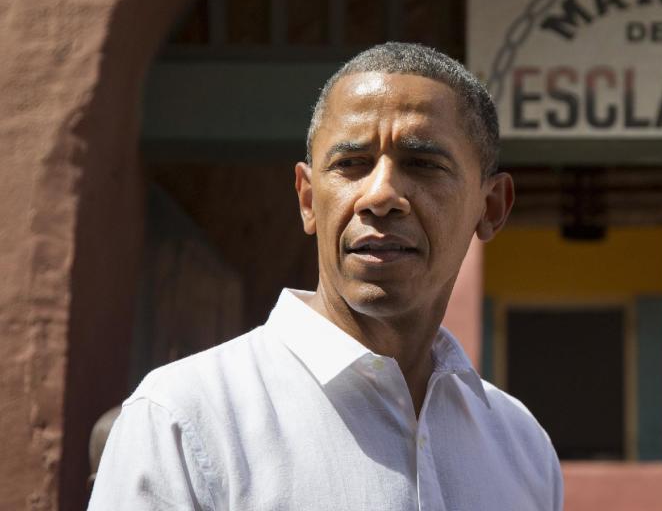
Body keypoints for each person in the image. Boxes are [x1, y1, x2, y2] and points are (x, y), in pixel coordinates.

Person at [88, 42, 563, 510]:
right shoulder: (181, 418)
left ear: (492, 207)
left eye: (423, 164)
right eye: (350, 164)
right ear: (309, 199)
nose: (380, 195)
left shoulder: (520, 445)